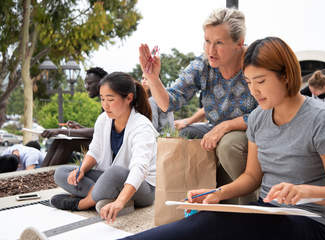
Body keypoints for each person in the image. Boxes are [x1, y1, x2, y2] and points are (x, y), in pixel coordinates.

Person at [98, 36, 325, 240]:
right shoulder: (258, 118)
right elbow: (252, 177)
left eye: (261, 81)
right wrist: (217, 193)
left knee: (229, 226)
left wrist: (302, 191)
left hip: (314, 223)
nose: (254, 91)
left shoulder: (321, 119)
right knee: (205, 221)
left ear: (286, 75)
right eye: (248, 82)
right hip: (268, 213)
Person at [139, 8, 258, 203]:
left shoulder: (256, 61)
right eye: (207, 41)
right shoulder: (202, 65)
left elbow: (269, 111)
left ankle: (249, 209)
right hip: (215, 128)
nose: (210, 50)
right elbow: (169, 102)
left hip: (253, 130)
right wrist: (152, 78)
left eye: (219, 43)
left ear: (240, 42)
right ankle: (198, 201)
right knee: (184, 136)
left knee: (228, 144)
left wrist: (226, 126)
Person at [49, 72, 158, 223]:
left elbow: (139, 169)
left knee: (115, 172)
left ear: (129, 98)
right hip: (111, 178)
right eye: (102, 99)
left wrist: (119, 203)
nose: (105, 105)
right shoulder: (103, 120)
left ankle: (83, 203)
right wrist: (81, 170)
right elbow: (95, 151)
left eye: (110, 99)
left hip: (143, 188)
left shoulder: (142, 126)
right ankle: (105, 196)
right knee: (62, 173)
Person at [41, 67, 108, 167]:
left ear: (101, 82)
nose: (86, 87)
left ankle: (49, 178)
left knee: (67, 142)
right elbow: (100, 130)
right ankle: (41, 172)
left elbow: (101, 132)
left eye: (90, 83)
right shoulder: (104, 101)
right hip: (101, 142)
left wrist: (61, 131)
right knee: (60, 139)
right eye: (86, 83)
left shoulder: (109, 101)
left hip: (108, 147)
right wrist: (80, 127)